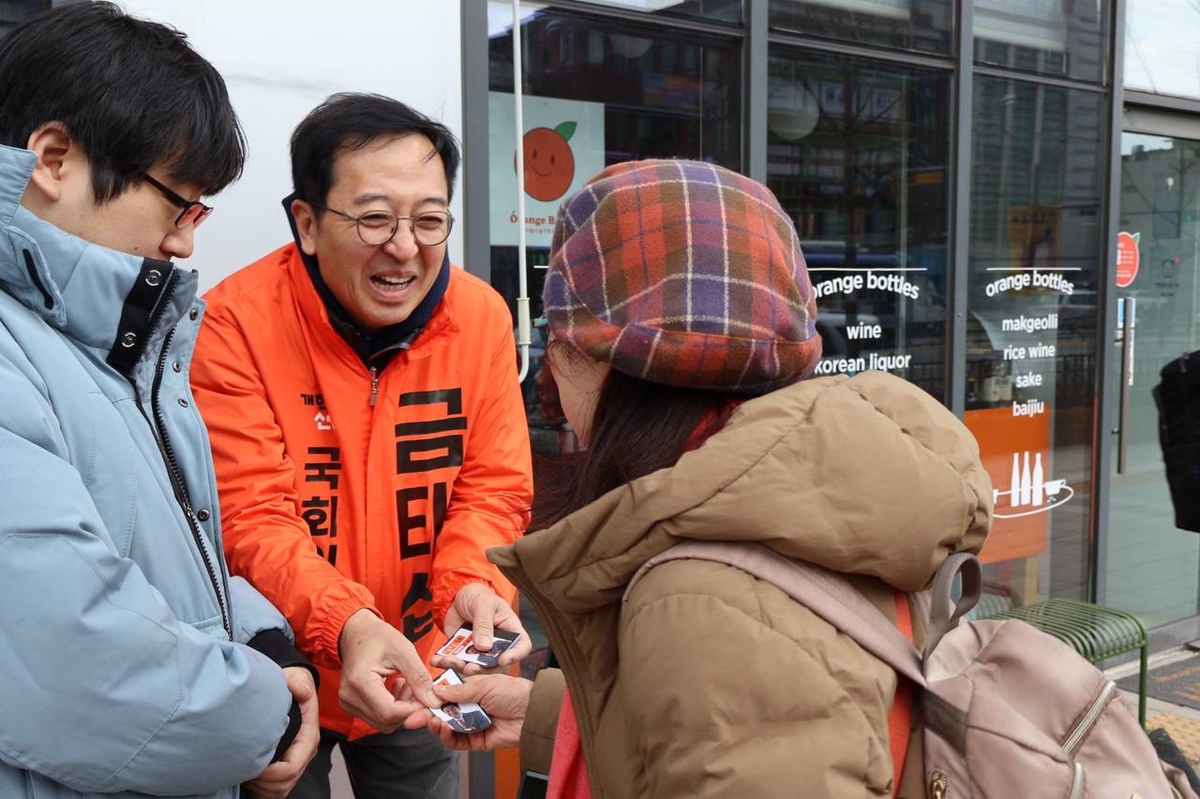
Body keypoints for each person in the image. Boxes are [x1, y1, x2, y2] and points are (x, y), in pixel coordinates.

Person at [410, 159, 994, 797]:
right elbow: (750, 725)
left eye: (555, 335)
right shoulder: (815, 492)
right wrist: (540, 712)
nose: (547, 363)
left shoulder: (697, 592)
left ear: (596, 355)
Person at [0, 4, 320, 799]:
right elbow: (72, 651)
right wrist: (266, 718)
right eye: (180, 202)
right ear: (53, 157)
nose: (183, 241)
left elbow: (167, 554)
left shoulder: (106, 343)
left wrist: (264, 638)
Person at [191, 93, 534, 799]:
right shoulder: (232, 324)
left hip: (419, 665)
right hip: (284, 674)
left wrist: (471, 585)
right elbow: (251, 515)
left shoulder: (482, 317)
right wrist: (346, 625)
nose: (405, 247)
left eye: (430, 219)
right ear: (308, 223)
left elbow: (493, 487)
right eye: (375, 217)